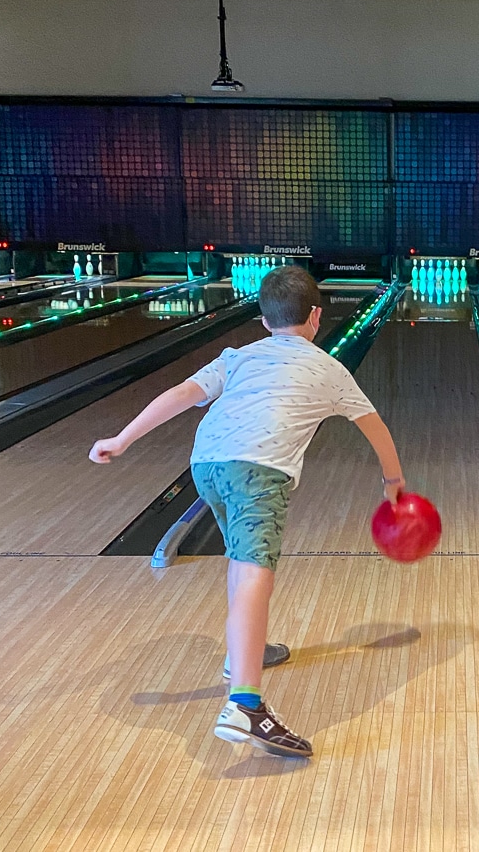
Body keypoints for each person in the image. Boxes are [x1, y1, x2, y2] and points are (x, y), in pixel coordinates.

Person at [89, 266, 405, 757]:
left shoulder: (237, 355)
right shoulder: (327, 367)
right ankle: (246, 706)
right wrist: (393, 480)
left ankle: (242, 657)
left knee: (241, 560)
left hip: (206, 465)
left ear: (263, 321)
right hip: (258, 470)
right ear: (317, 316)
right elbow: (374, 426)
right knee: (256, 572)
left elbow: (182, 395)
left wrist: (122, 439)